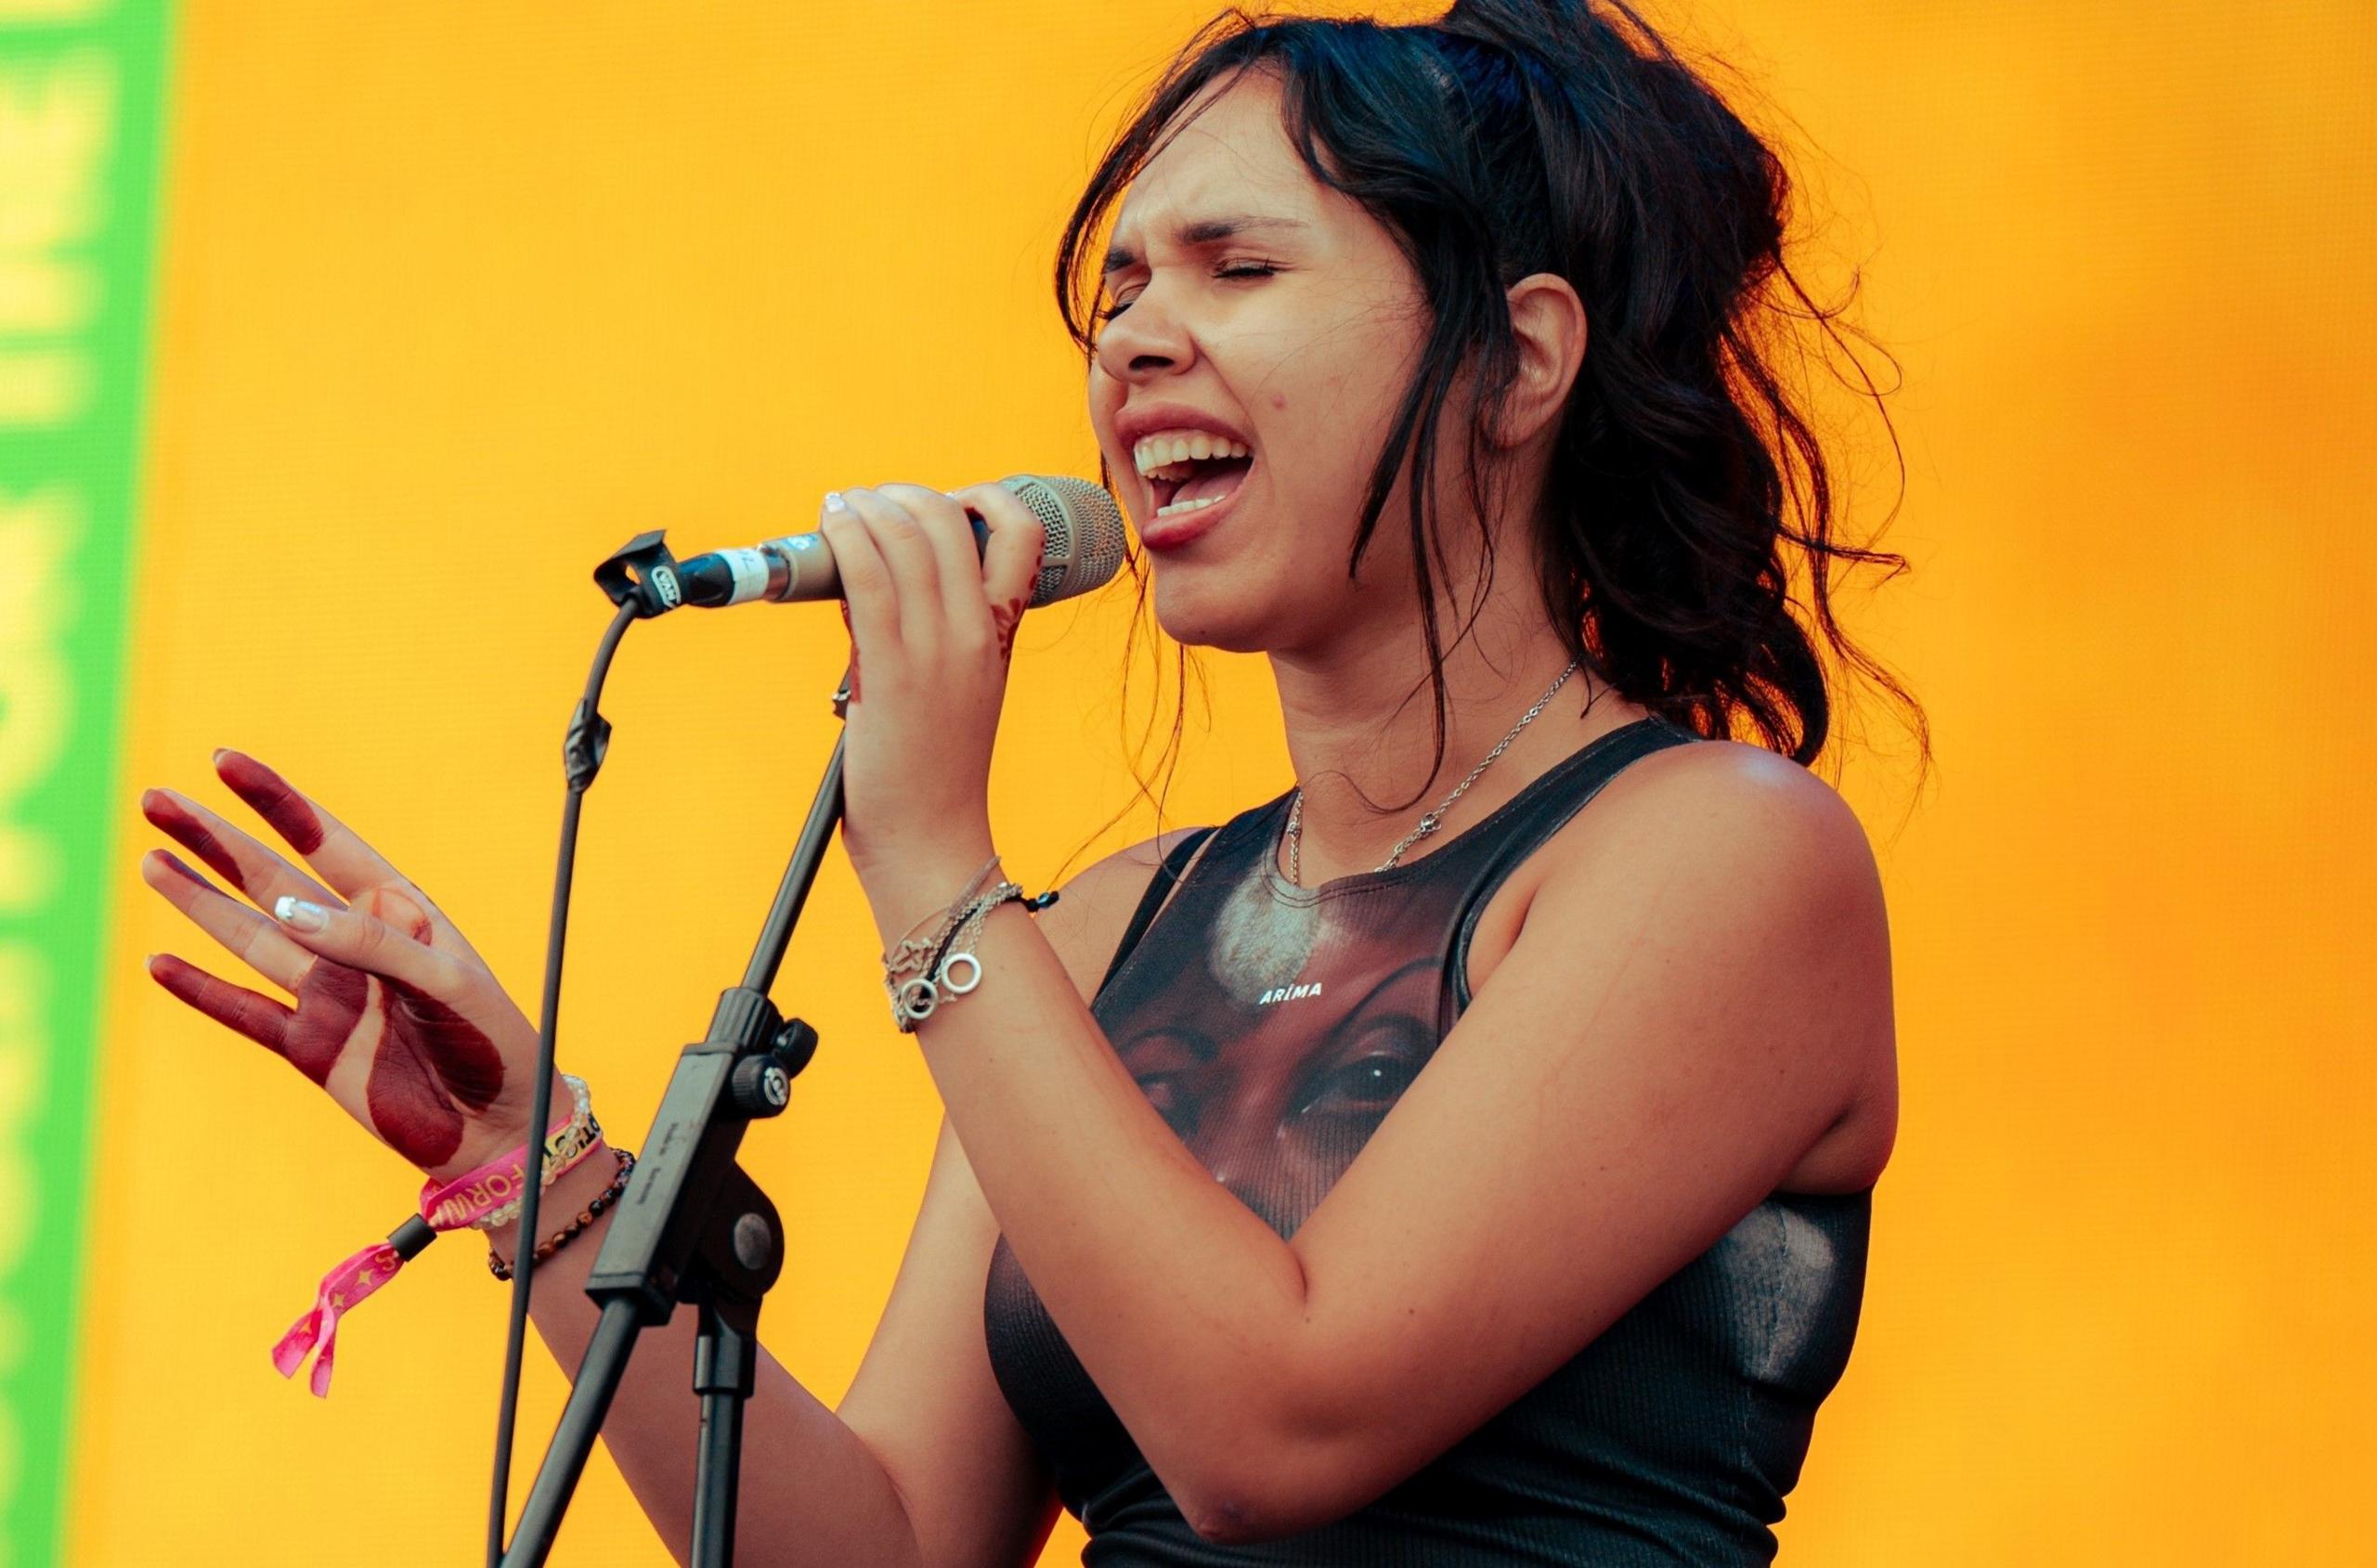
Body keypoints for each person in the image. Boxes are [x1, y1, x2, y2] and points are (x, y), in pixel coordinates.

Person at [137, 1, 1921, 1561]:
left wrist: (927, 861)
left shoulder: (1720, 860)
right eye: (1119, 290)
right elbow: (897, 1551)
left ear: (1522, 359)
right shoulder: (1103, 928)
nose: (1134, 342)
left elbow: (1271, 1429)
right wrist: (537, 1164)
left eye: (1240, 267)